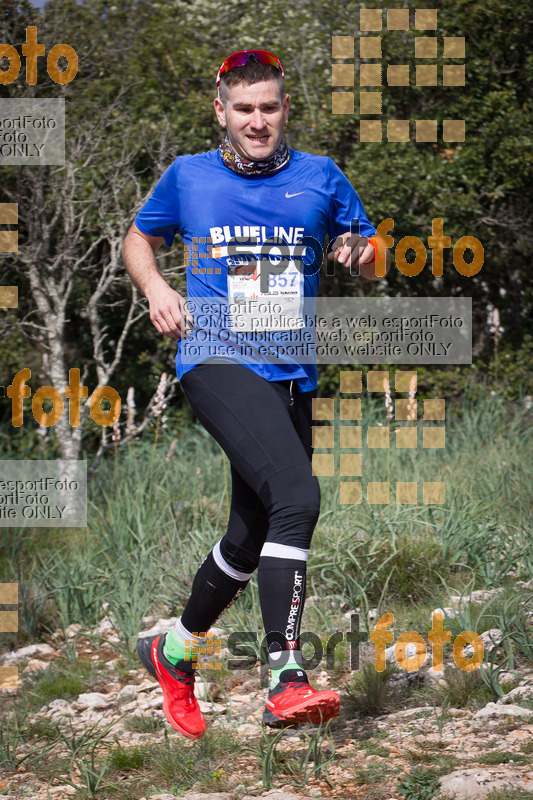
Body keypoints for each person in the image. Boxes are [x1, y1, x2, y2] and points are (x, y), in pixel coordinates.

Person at [122, 49, 389, 739]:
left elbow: (371, 247)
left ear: (284, 109)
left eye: (268, 107)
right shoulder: (188, 176)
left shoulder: (319, 177)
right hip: (214, 353)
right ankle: (283, 679)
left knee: (251, 534)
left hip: (291, 371)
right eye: (244, 109)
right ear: (222, 112)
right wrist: (155, 288)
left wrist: (360, 253)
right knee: (298, 499)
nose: (257, 120)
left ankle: (174, 650)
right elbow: (138, 239)